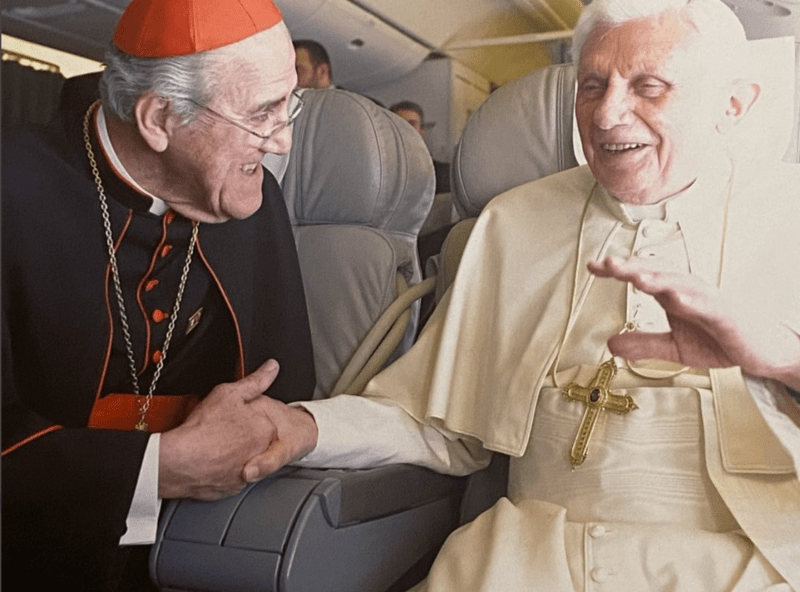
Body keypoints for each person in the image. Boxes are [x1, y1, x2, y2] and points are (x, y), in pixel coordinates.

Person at [251, 0, 800, 590]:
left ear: (732, 104)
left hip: (750, 553)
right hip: (527, 557)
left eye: (649, 86)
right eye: (592, 85)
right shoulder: (512, 223)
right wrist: (301, 427)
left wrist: (779, 363)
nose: (608, 114)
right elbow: (433, 418)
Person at [1, 0, 317, 589]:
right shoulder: (10, 188)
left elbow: (285, 387)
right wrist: (157, 469)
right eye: (263, 114)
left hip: (196, 553)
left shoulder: (256, 202)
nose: (283, 144)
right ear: (159, 119)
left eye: (289, 104)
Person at [390, 100, 451, 194]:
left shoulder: (446, 175)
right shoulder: (381, 175)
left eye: (411, 124)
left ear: (421, 131)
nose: (405, 129)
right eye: (399, 124)